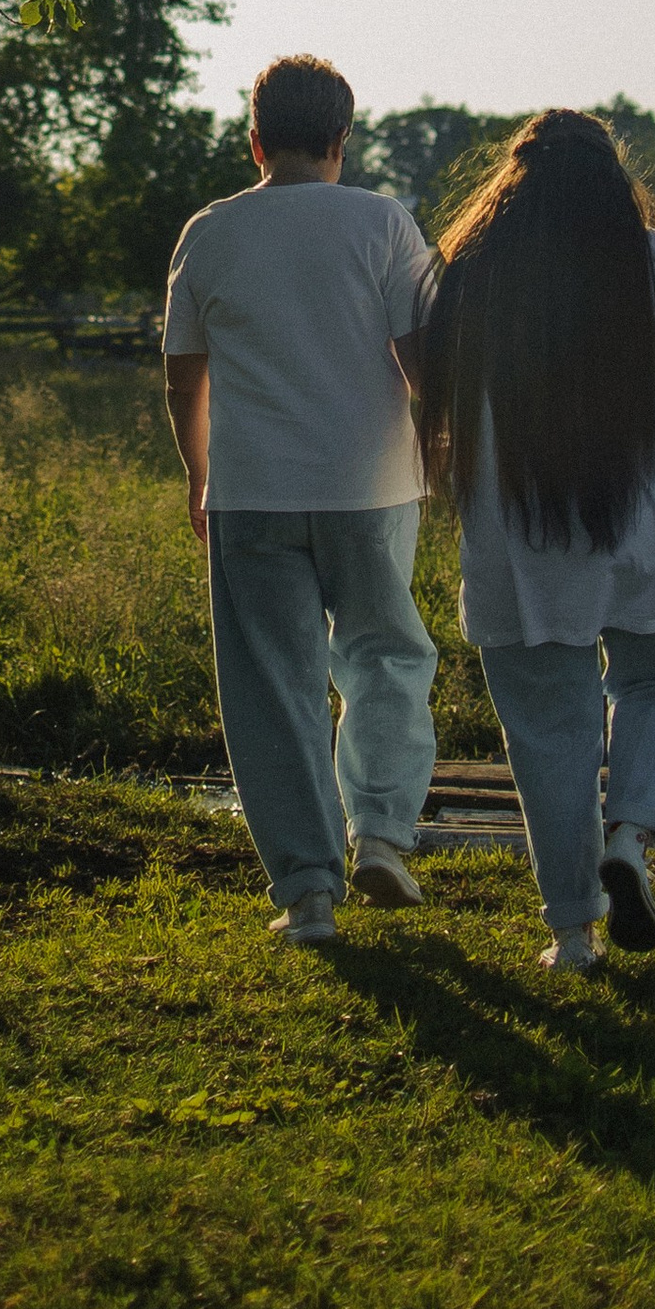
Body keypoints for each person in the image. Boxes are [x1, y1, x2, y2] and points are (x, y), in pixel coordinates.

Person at [410, 111, 655, 974]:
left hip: (517, 539)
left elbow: (425, 372)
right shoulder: (651, 259)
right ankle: (630, 835)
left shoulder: (469, 266)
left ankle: (572, 934)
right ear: (612, 177)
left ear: (512, 180)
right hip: (639, 527)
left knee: (549, 733)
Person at [163, 54, 438, 949]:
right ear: (340, 141)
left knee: (270, 687)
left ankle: (309, 894)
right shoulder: (384, 222)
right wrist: (439, 448)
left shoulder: (209, 231)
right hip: (372, 488)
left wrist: (201, 474)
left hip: (253, 493)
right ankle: (387, 835)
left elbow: (182, 378)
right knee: (387, 659)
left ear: (254, 142)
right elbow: (419, 356)